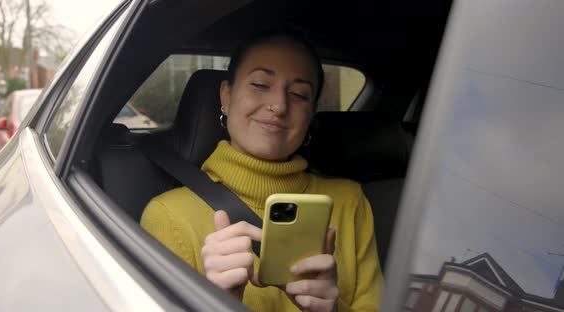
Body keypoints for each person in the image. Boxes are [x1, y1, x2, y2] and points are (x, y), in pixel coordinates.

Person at [140, 29, 383, 311]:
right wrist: (218, 303)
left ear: (311, 115)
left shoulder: (349, 200)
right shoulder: (168, 216)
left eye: (299, 94)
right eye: (259, 84)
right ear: (226, 97)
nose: (279, 106)